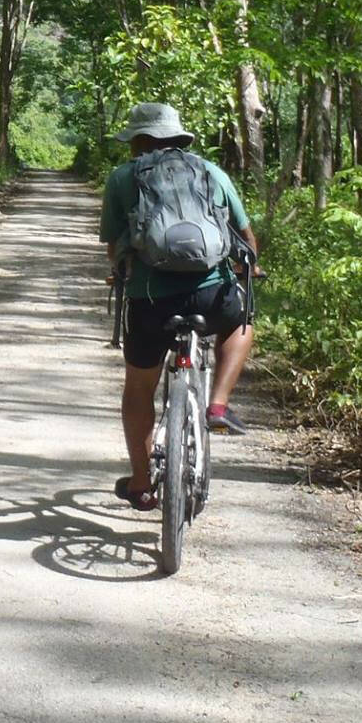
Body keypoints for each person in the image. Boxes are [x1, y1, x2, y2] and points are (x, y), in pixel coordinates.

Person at [99, 102, 259, 511]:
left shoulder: (122, 178)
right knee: (242, 325)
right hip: (212, 294)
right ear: (177, 137)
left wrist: (120, 271)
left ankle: (141, 483)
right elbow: (245, 236)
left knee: (139, 388)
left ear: (139, 141)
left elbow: (114, 247)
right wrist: (249, 269)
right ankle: (217, 404)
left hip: (150, 301)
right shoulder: (210, 171)